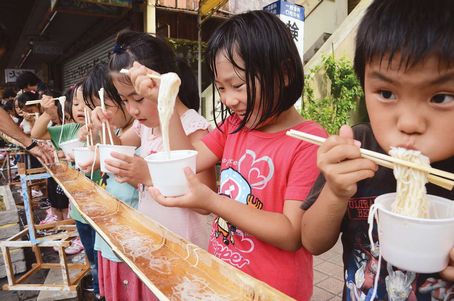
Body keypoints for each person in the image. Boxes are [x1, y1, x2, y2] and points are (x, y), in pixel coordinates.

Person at [129, 11, 326, 300]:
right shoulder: (235, 125)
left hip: (272, 291)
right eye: (221, 88)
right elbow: (190, 159)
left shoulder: (307, 141)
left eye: (238, 85)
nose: (228, 99)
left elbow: (290, 233)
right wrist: (165, 102)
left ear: (284, 74)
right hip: (224, 279)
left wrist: (212, 201)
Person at [300, 0, 454, 300]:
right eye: (386, 93)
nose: (409, 123)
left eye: (441, 97)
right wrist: (334, 191)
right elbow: (312, 241)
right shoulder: (356, 149)